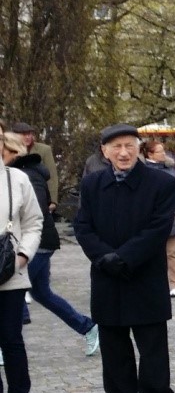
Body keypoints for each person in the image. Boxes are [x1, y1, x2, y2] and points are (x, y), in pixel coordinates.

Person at [74, 124, 175, 393]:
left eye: (129, 146)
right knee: (113, 343)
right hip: (106, 274)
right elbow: (83, 226)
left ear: (139, 148)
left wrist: (124, 257)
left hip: (144, 273)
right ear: (105, 151)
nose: (123, 152)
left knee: (152, 344)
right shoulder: (92, 184)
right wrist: (103, 257)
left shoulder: (161, 183)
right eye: (116, 147)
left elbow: (158, 228)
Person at [13, 135, 99, 356]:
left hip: (36, 243)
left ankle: (7, 346)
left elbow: (35, 214)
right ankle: (87, 327)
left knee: (12, 293)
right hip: (36, 241)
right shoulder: (22, 173)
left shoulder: (27, 175)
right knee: (41, 293)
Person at [0, 133, 44, 393]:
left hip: (9, 272)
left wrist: (23, 256)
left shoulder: (16, 179)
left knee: (11, 339)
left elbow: (33, 222)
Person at [142, 140, 175, 297]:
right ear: (149, 154)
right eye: (160, 151)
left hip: (172, 217)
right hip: (150, 219)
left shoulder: (170, 168)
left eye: (164, 151)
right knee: (151, 253)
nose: (164, 154)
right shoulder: (141, 171)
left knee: (173, 252)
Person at [10, 123, 56, 212]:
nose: (28, 137)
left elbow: (52, 176)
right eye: (24, 134)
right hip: (17, 199)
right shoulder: (9, 151)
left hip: (40, 197)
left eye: (30, 134)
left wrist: (53, 201)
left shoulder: (44, 150)